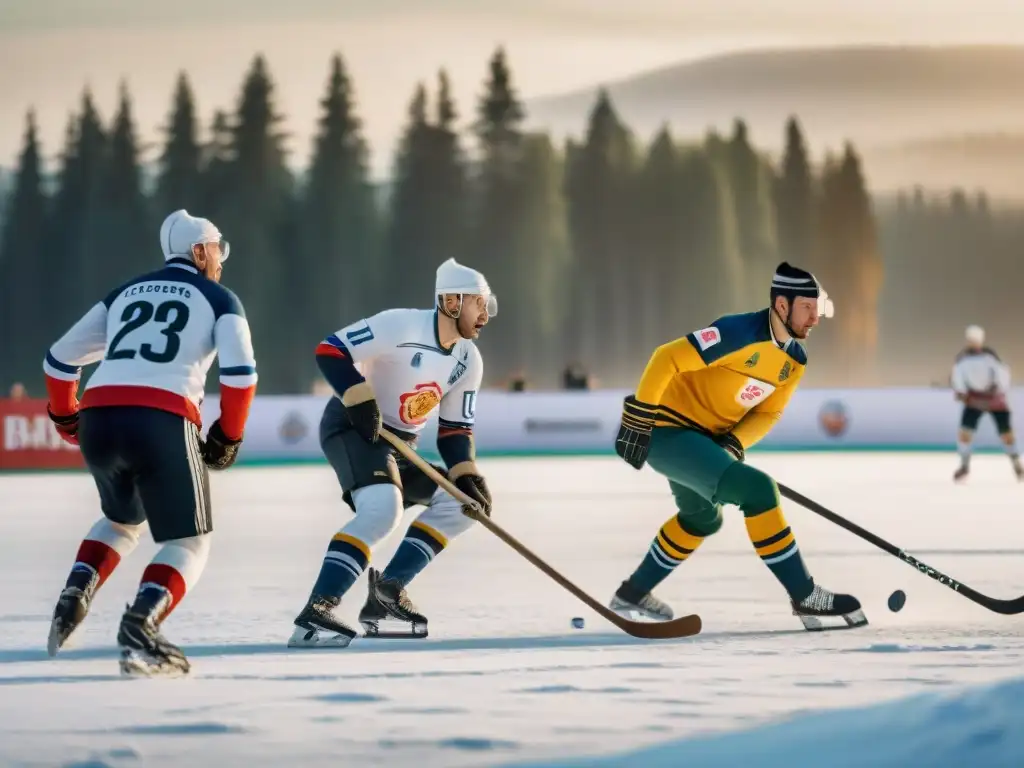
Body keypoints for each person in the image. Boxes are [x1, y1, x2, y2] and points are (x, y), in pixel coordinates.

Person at [43, 209, 257, 675]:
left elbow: (59, 361)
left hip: (100, 416)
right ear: (198, 251)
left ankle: (75, 594)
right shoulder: (220, 297)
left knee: (122, 520)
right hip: (162, 418)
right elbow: (241, 376)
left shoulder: (123, 294)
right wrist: (228, 435)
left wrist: (66, 418)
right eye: (217, 250)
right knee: (191, 541)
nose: (221, 260)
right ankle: (142, 625)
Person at [609, 262, 866, 632]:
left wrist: (732, 443)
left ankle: (632, 594)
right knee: (759, 491)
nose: (815, 318)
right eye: (807, 308)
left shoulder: (794, 361)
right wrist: (639, 417)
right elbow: (666, 358)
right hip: (665, 431)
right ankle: (805, 594)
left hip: (705, 441)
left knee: (702, 519)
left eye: (817, 308)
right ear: (782, 305)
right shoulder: (737, 332)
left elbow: (768, 413)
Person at [289, 258, 495, 647]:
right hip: (356, 428)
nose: (486, 314)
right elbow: (330, 349)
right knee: (384, 510)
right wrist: (357, 394)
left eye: (488, 306)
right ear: (452, 301)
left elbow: (455, 429)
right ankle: (317, 609)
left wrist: (467, 475)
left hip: (403, 445)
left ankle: (388, 592)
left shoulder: (468, 359)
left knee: (460, 506)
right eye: (479, 304)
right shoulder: (400, 324)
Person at [951, 324, 1021, 482]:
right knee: (965, 433)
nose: (972, 342)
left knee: (1006, 433)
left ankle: (1016, 462)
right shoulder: (962, 360)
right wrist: (961, 392)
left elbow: (1002, 374)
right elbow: (958, 377)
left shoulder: (990, 357)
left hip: (994, 399)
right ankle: (964, 465)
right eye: (970, 340)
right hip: (974, 400)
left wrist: (998, 387)